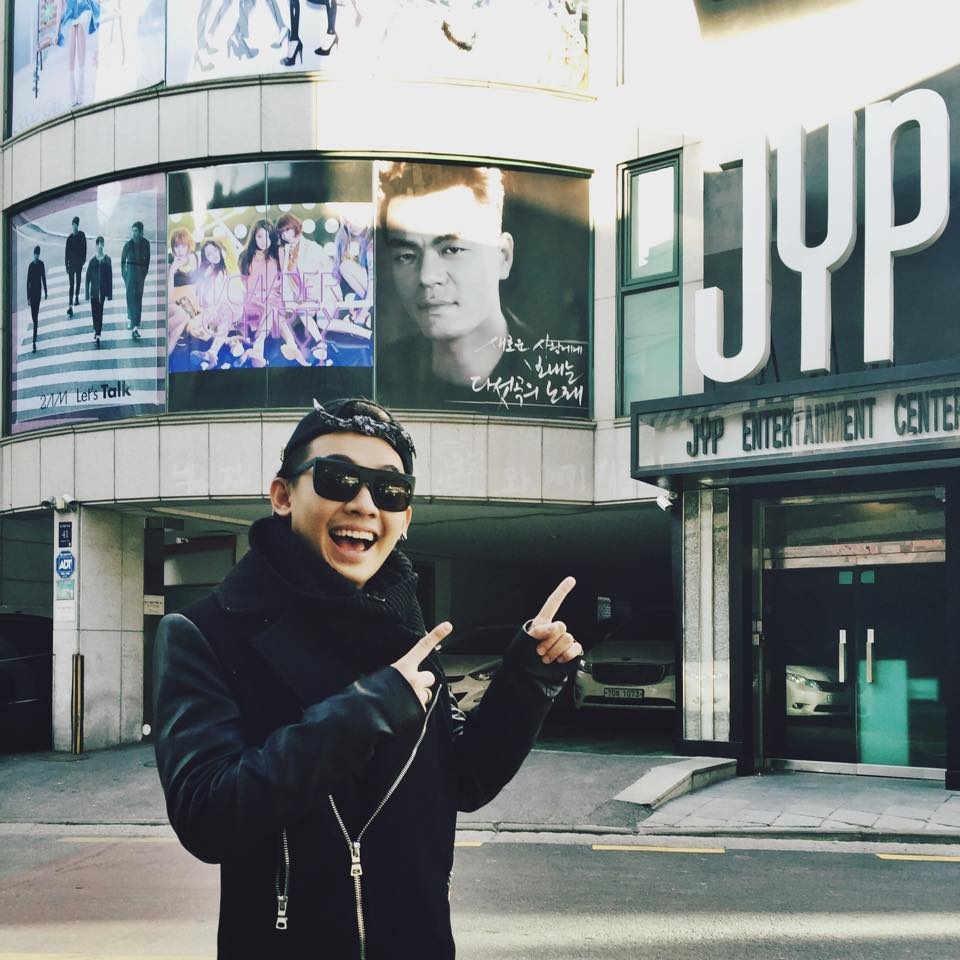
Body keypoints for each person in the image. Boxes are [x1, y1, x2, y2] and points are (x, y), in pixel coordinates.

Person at [152, 398, 581, 959]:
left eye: (390, 490)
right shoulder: (205, 632)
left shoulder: (403, 626)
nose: (363, 503)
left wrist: (528, 680)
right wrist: (369, 710)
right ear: (282, 496)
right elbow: (206, 817)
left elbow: (464, 781)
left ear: (406, 518)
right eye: (337, 479)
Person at [376, 162, 540, 410]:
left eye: (452, 250)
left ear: (503, 257)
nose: (427, 276)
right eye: (406, 255)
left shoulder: (554, 376)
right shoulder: (381, 377)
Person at [55, 0, 100, 106]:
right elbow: (59, 8)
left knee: (80, 28)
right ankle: (71, 81)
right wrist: (56, 32)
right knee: (72, 31)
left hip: (83, 9)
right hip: (69, 15)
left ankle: (81, 80)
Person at [121, 220, 150, 340]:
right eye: (133, 231)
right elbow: (123, 261)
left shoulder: (146, 244)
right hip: (130, 275)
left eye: (136, 231)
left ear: (141, 232)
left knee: (138, 299)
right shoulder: (128, 245)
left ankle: (135, 325)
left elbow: (147, 261)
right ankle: (132, 320)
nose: (134, 233)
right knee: (130, 298)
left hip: (139, 276)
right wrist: (125, 275)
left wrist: (143, 274)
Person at [84, 235, 112, 348]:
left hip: (102, 292)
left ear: (103, 245)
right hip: (94, 292)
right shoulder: (92, 261)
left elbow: (109, 278)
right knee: (94, 312)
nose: (100, 245)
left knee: (100, 312)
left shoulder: (107, 260)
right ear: (96, 245)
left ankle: (98, 332)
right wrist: (87, 294)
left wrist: (109, 294)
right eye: (98, 243)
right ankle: (96, 330)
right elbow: (87, 278)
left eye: (102, 243)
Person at [26, 246, 48, 353]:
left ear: (38, 255)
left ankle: (34, 341)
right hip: (32, 294)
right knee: (33, 316)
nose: (35, 255)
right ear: (33, 254)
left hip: (38, 294)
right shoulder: (30, 265)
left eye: (37, 254)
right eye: (35, 254)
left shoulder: (41, 264)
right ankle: (35, 330)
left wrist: (46, 291)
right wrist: (28, 298)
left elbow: (43, 277)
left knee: (35, 317)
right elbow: (27, 282)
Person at [64, 215, 87, 317]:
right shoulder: (69, 238)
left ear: (78, 225)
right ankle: (70, 303)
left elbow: (84, 249)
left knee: (78, 281)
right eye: (74, 224)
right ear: (72, 225)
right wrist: (66, 265)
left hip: (79, 264)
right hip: (71, 265)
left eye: (77, 224)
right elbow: (66, 253)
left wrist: (83, 261)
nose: (75, 226)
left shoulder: (82, 235)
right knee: (71, 284)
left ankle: (76, 296)